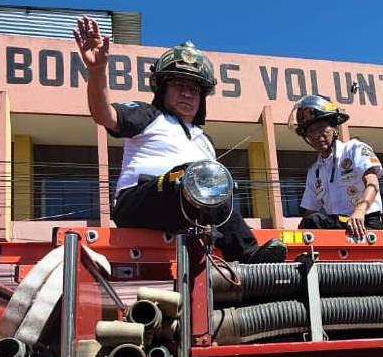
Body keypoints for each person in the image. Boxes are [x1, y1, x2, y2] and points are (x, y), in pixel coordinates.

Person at [73, 16, 286, 264]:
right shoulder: (149, 115)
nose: (187, 93)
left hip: (188, 214)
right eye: (179, 85)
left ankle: (250, 257)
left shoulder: (205, 140)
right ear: (162, 89)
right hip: (138, 203)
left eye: (194, 89)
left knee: (217, 185)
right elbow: (104, 114)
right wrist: (97, 70)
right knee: (193, 175)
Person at [292, 94, 383, 239]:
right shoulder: (314, 172)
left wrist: (359, 211)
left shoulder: (354, 149)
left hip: (365, 222)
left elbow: (372, 183)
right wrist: (296, 237)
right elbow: (309, 211)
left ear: (334, 128)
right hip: (337, 226)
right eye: (311, 132)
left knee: (315, 221)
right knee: (310, 223)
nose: (317, 135)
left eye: (322, 128)